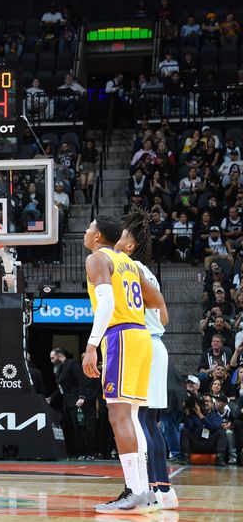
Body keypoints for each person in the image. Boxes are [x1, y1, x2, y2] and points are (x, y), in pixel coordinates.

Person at [82, 215, 167, 514]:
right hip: (141, 336)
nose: (87, 230)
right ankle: (144, 493)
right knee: (130, 415)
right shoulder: (129, 263)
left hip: (120, 336)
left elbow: (105, 304)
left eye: (90, 227)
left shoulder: (97, 258)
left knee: (119, 416)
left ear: (97, 237)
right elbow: (156, 299)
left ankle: (134, 492)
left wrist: (91, 346)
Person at [115, 210, 179, 509]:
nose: (117, 239)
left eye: (123, 235)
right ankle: (163, 489)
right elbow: (163, 313)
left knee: (141, 420)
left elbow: (161, 313)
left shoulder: (130, 268)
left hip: (146, 345)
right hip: (153, 343)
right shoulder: (141, 268)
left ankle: (158, 489)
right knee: (148, 421)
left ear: (130, 245)